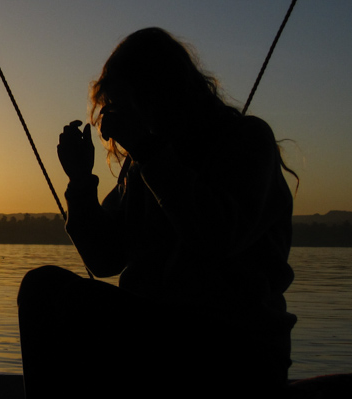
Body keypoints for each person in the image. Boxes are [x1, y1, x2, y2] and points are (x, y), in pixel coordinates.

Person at [17, 27, 296, 398]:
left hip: (237, 351)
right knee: (44, 289)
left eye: (123, 107)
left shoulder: (245, 141)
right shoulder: (143, 167)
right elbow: (104, 259)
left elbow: (214, 237)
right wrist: (82, 181)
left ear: (161, 92)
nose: (115, 122)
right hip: (158, 339)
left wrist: (149, 151)